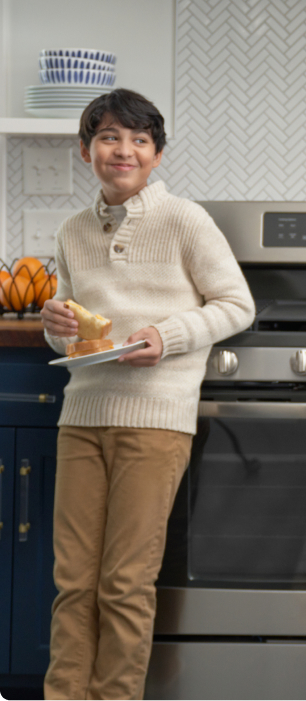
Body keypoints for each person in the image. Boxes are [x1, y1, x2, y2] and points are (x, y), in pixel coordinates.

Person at [40, 88, 255, 700]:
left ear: (157, 154)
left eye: (138, 139)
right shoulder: (72, 231)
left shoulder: (184, 219)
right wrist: (60, 331)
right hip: (83, 414)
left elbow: (238, 305)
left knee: (124, 582)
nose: (123, 150)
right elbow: (73, 341)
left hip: (155, 419)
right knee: (73, 582)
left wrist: (166, 336)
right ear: (87, 151)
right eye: (109, 137)